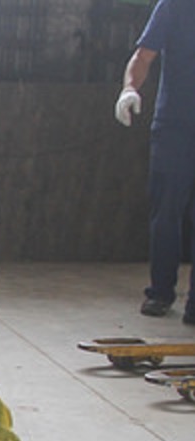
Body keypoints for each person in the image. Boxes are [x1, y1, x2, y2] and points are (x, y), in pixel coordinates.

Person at [115, 0, 195, 325]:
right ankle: (160, 292)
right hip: (174, 125)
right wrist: (129, 88)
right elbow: (144, 55)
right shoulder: (175, 5)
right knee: (166, 211)